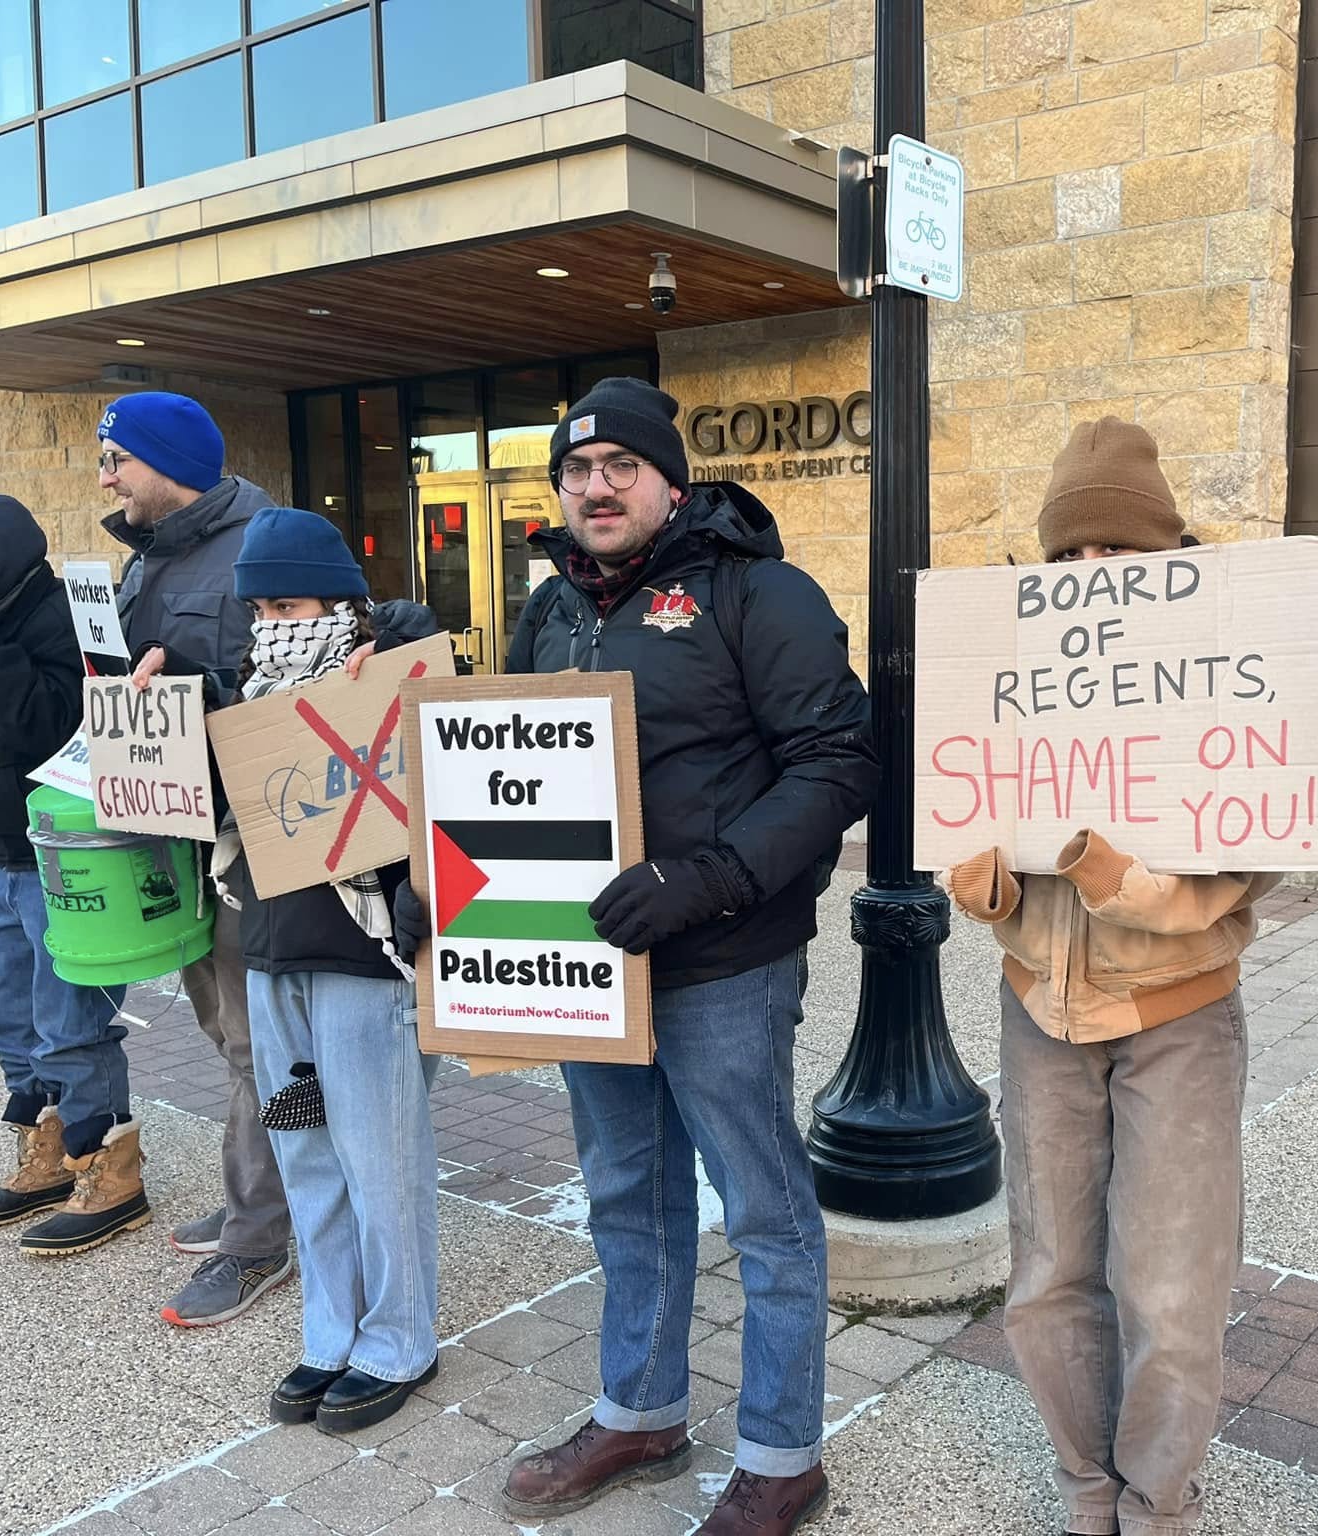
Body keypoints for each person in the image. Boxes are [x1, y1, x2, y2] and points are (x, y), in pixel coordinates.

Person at [478, 378, 877, 1535]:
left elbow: (838, 759)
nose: (595, 486)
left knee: (762, 1209)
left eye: (620, 466)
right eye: (575, 469)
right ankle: (640, 1413)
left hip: (725, 961)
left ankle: (781, 1458)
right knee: (625, 1196)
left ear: (669, 481)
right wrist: (439, 894)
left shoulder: (757, 593)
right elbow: (502, 772)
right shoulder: (551, 609)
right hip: (588, 966)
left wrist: (709, 878)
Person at [942, 418, 1275, 1536]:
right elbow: (977, 818)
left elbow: (1255, 852)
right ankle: (1087, 1487)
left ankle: (1157, 1503)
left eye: (1116, 551)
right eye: (1068, 554)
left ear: (1164, 552)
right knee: (1047, 1275)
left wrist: (1115, 876)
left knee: (1172, 1288)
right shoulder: (1014, 662)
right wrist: (988, 887)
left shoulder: (1224, 659)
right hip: (1039, 1008)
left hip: (1179, 1015)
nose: (1090, 572)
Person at [141, 507, 446, 1433]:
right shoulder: (245, 696)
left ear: (341, 604)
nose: (276, 623)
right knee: (307, 1152)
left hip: (365, 966)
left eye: (294, 604)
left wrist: (404, 639)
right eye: (263, 608)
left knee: (380, 1162)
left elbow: (449, 722)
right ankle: (329, 1332)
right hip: (273, 967)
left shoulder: (391, 677)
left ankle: (399, 1340)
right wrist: (158, 700)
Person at [98, 390, 294, 1326]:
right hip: (172, 833)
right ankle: (266, 1194)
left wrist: (203, 689)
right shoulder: (145, 557)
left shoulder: (266, 543)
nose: (106, 478)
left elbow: (306, 687)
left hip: (248, 841)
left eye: (118, 459)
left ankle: (259, 1237)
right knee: (225, 1035)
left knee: (259, 1048)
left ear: (167, 461)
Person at [0, 493, 147, 1255]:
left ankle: (110, 1171)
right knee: (10, 1023)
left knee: (70, 1027)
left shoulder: (57, 618)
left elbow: (43, 727)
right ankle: (47, 1153)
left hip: (65, 858)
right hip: (7, 856)